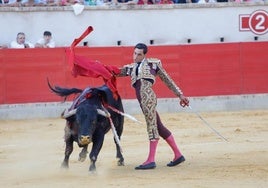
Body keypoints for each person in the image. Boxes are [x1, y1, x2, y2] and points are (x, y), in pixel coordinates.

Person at [116, 43, 189, 170]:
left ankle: (151, 160)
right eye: (134, 53)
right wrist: (97, 67)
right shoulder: (131, 68)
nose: (135, 56)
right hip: (142, 100)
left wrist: (180, 95)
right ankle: (178, 155)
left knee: (152, 126)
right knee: (159, 127)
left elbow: (167, 79)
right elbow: (115, 71)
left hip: (148, 98)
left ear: (144, 55)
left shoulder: (152, 64)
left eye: (139, 54)